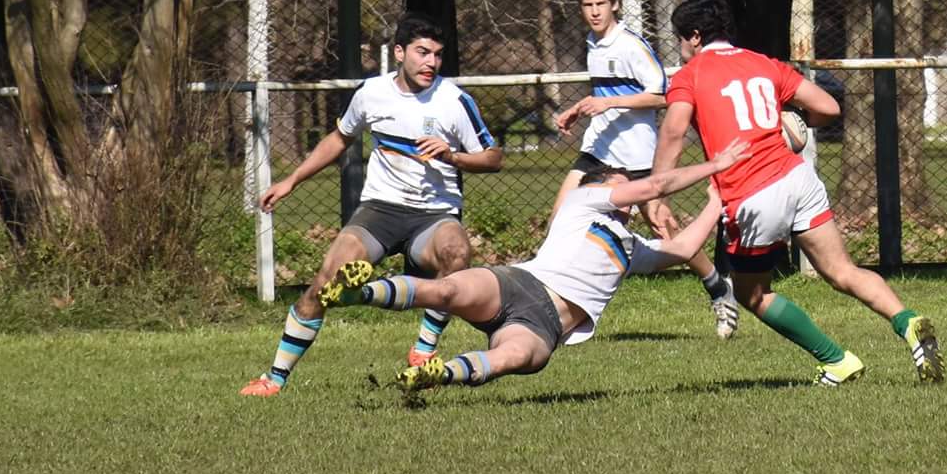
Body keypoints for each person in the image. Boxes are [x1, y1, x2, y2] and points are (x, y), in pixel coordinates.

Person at [647, 0, 944, 386]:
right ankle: (908, 321)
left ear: (696, 36)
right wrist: (795, 122)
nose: (680, 47)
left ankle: (837, 361)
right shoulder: (762, 63)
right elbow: (828, 107)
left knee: (752, 294)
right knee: (842, 271)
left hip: (752, 193)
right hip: (797, 178)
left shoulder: (691, 75)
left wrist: (657, 194)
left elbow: (672, 132)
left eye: (680, 39)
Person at [317, 137, 751, 395]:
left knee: (515, 357)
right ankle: (358, 291)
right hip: (520, 284)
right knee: (446, 290)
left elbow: (684, 247)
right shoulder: (584, 201)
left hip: (545, 326)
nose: (629, 193)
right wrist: (716, 164)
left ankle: (436, 375)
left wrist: (718, 200)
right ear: (600, 188)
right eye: (621, 185)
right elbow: (654, 186)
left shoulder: (632, 248)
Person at [240, 15, 504, 396]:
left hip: (434, 215)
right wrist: (291, 180)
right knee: (326, 281)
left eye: (437, 55)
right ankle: (274, 378)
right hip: (380, 211)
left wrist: (453, 157)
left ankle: (423, 350)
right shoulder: (371, 93)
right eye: (422, 52)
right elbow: (339, 139)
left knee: (456, 251)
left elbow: (494, 158)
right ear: (399, 53)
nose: (431, 62)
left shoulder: (454, 101)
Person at [551, 0, 741, 340]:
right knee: (561, 219)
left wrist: (610, 103)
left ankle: (718, 289)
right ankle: (559, 308)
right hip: (598, 150)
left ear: (615, 4)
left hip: (636, 156)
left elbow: (663, 95)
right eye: (587, 5)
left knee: (664, 228)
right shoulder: (592, 43)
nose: (594, 11)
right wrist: (580, 108)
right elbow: (604, 97)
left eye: (601, 4)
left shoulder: (630, 45)